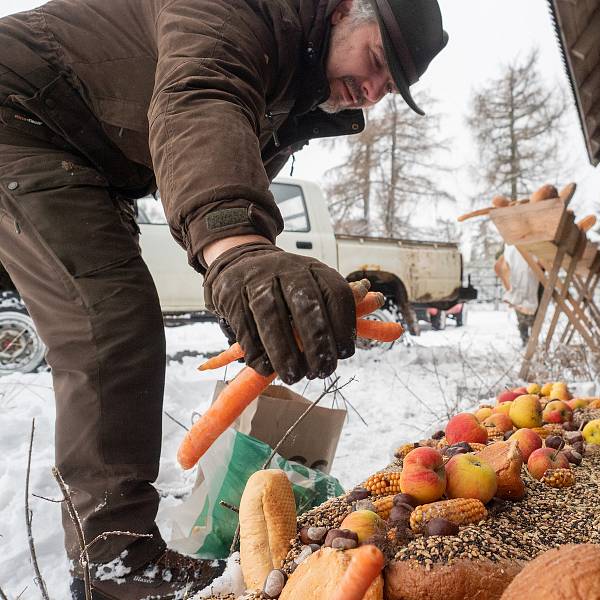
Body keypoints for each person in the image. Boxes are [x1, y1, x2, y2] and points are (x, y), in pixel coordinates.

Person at [0, 0, 447, 597]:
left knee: (117, 318)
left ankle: (112, 553)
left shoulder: (294, 90)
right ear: (343, 9)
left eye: (389, 85)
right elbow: (198, 100)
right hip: (21, 114)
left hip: (92, 155)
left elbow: (222, 176)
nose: (371, 90)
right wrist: (239, 254)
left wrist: (257, 301)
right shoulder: (242, 10)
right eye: (375, 61)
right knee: (109, 324)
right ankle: (112, 567)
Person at [495, 245, 544, 346]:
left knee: (535, 313)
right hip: (517, 281)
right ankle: (525, 338)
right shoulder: (510, 243)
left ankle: (533, 339)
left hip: (535, 279)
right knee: (521, 312)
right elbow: (500, 259)